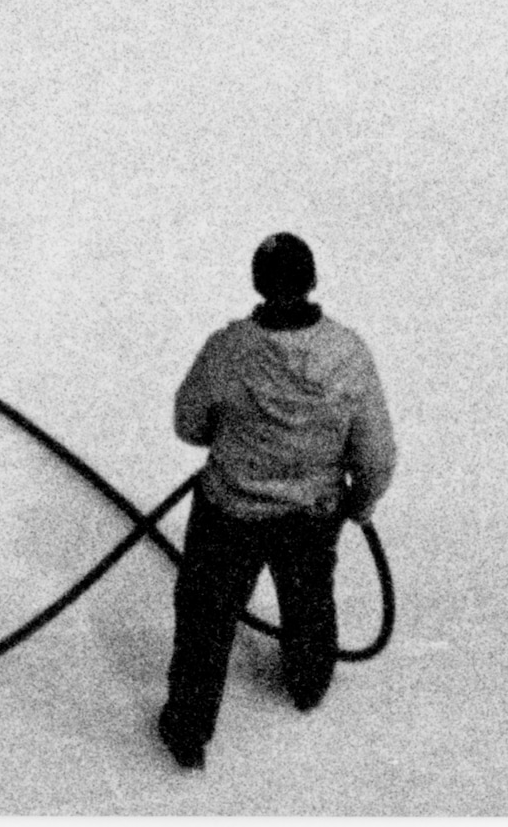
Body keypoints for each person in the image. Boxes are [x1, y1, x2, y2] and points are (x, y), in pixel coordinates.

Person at [157, 232, 397, 769]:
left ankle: (188, 728)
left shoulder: (228, 349)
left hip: (229, 512)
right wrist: (360, 504)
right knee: (309, 601)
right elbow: (377, 454)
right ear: (312, 281)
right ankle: (308, 685)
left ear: (258, 283)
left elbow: (188, 424)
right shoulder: (347, 354)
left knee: (205, 619)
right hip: (312, 517)